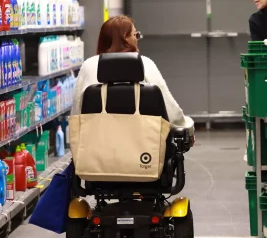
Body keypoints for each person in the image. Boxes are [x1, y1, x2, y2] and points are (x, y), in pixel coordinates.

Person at [71, 15, 195, 146]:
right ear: (126, 38)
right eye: (135, 35)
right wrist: (187, 128)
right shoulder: (146, 64)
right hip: (144, 148)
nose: (137, 39)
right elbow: (170, 110)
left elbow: (77, 113)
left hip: (98, 148)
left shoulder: (88, 66)